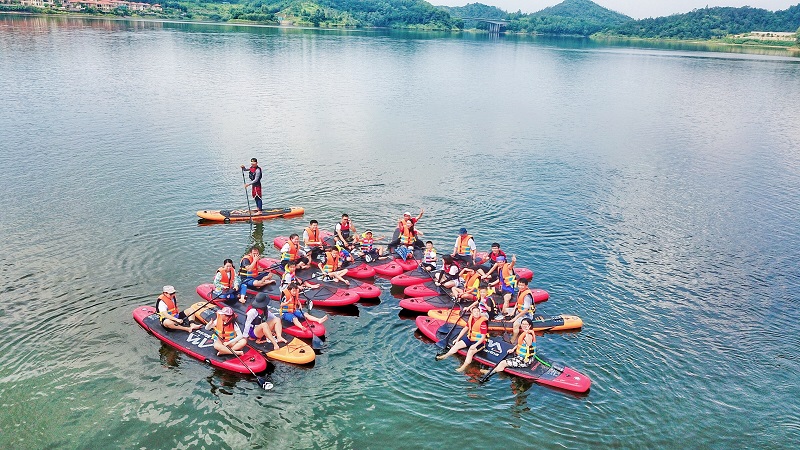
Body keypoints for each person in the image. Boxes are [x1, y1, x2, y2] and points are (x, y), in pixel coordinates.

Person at [435, 306, 488, 372]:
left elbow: (483, 337)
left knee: (470, 352)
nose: (477, 313)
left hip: (479, 342)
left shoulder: (483, 323)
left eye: (478, 312)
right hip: (470, 338)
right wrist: (457, 338)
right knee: (457, 345)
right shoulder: (471, 319)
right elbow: (465, 329)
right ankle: (445, 355)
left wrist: (475, 345)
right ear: (472, 313)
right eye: (475, 312)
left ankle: (463, 367)